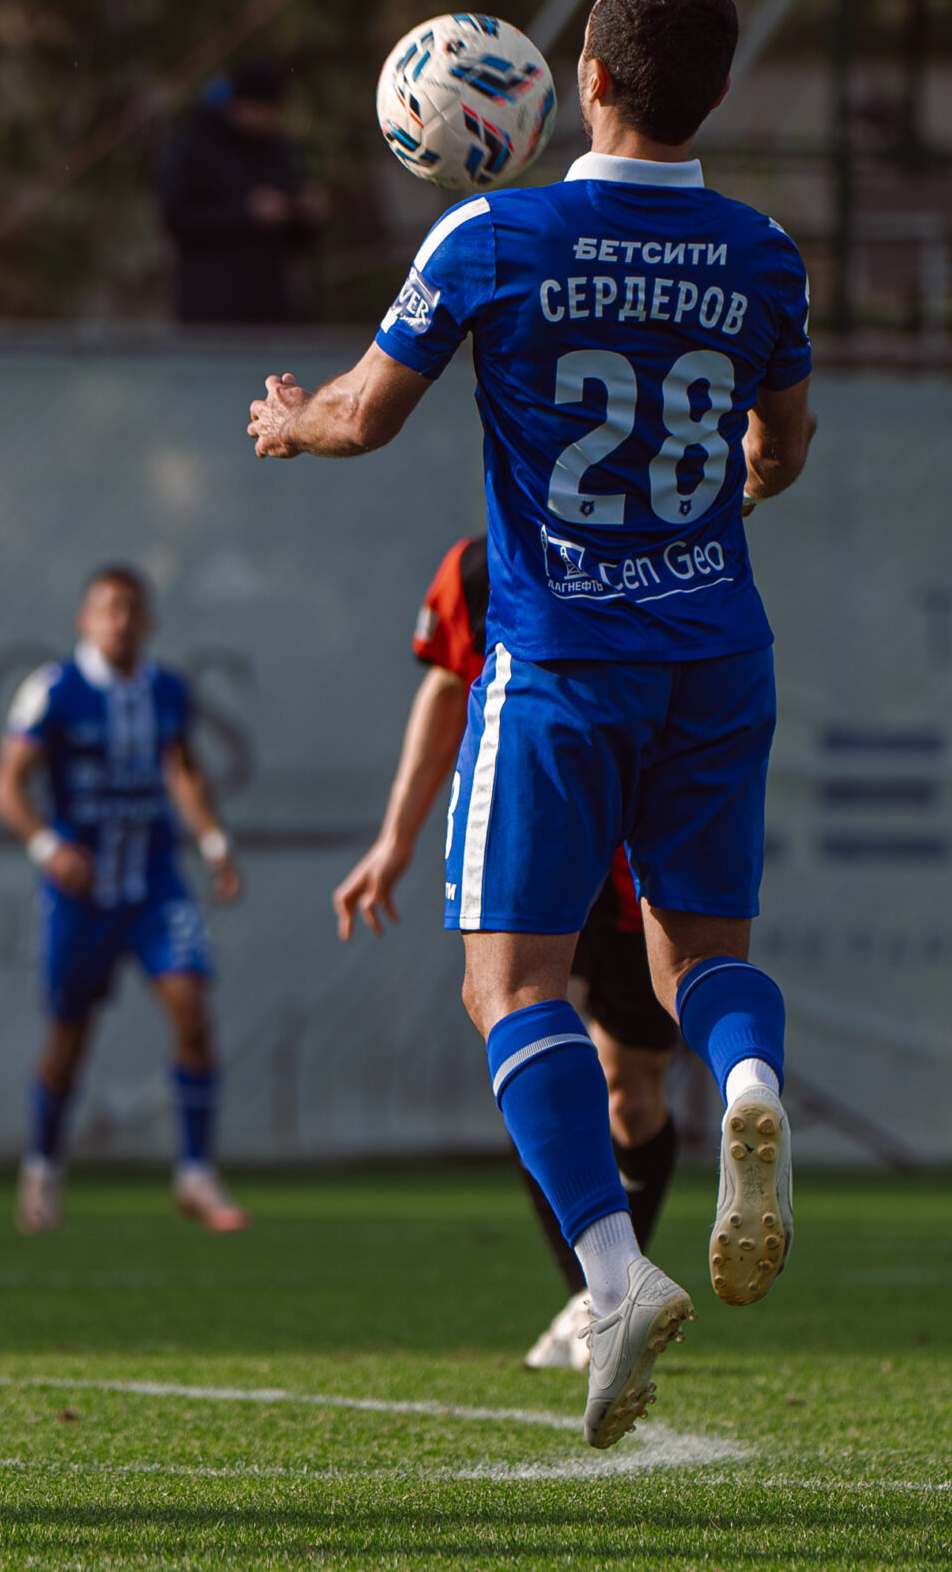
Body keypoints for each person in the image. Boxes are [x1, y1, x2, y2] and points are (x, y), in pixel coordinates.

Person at [246, 0, 817, 1450]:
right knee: (700, 963)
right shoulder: (763, 254)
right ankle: (751, 1078)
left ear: (591, 81)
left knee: (510, 986)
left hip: (563, 656)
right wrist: (746, 478)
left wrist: (291, 423)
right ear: (717, 91)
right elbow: (783, 445)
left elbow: (366, 416)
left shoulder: (493, 234)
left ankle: (614, 1278)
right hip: (719, 649)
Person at [332, 534, 677, 1372]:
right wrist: (396, 837)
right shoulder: (479, 566)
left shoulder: (661, 548)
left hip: (633, 858)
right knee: (525, 1042)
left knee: (631, 1092)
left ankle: (609, 1290)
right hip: (532, 841)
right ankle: (602, 1292)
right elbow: (447, 686)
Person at [0, 566, 248, 1236]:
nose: (120, 621)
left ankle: (195, 1173)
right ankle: (42, 1168)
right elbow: (7, 784)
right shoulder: (54, 690)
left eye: (132, 609)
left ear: (150, 621)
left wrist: (214, 842)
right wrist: (48, 847)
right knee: (68, 1040)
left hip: (155, 885)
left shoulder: (168, 690)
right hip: (82, 894)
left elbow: (182, 769)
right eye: (108, 609)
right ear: (84, 619)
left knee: (192, 1008)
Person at [158, 60, 328, 325]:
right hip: (211, 303)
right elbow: (178, 218)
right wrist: (245, 212)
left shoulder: (277, 148)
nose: (268, 118)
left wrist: (304, 212)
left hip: (272, 302)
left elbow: (297, 240)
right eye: (260, 109)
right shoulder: (193, 145)